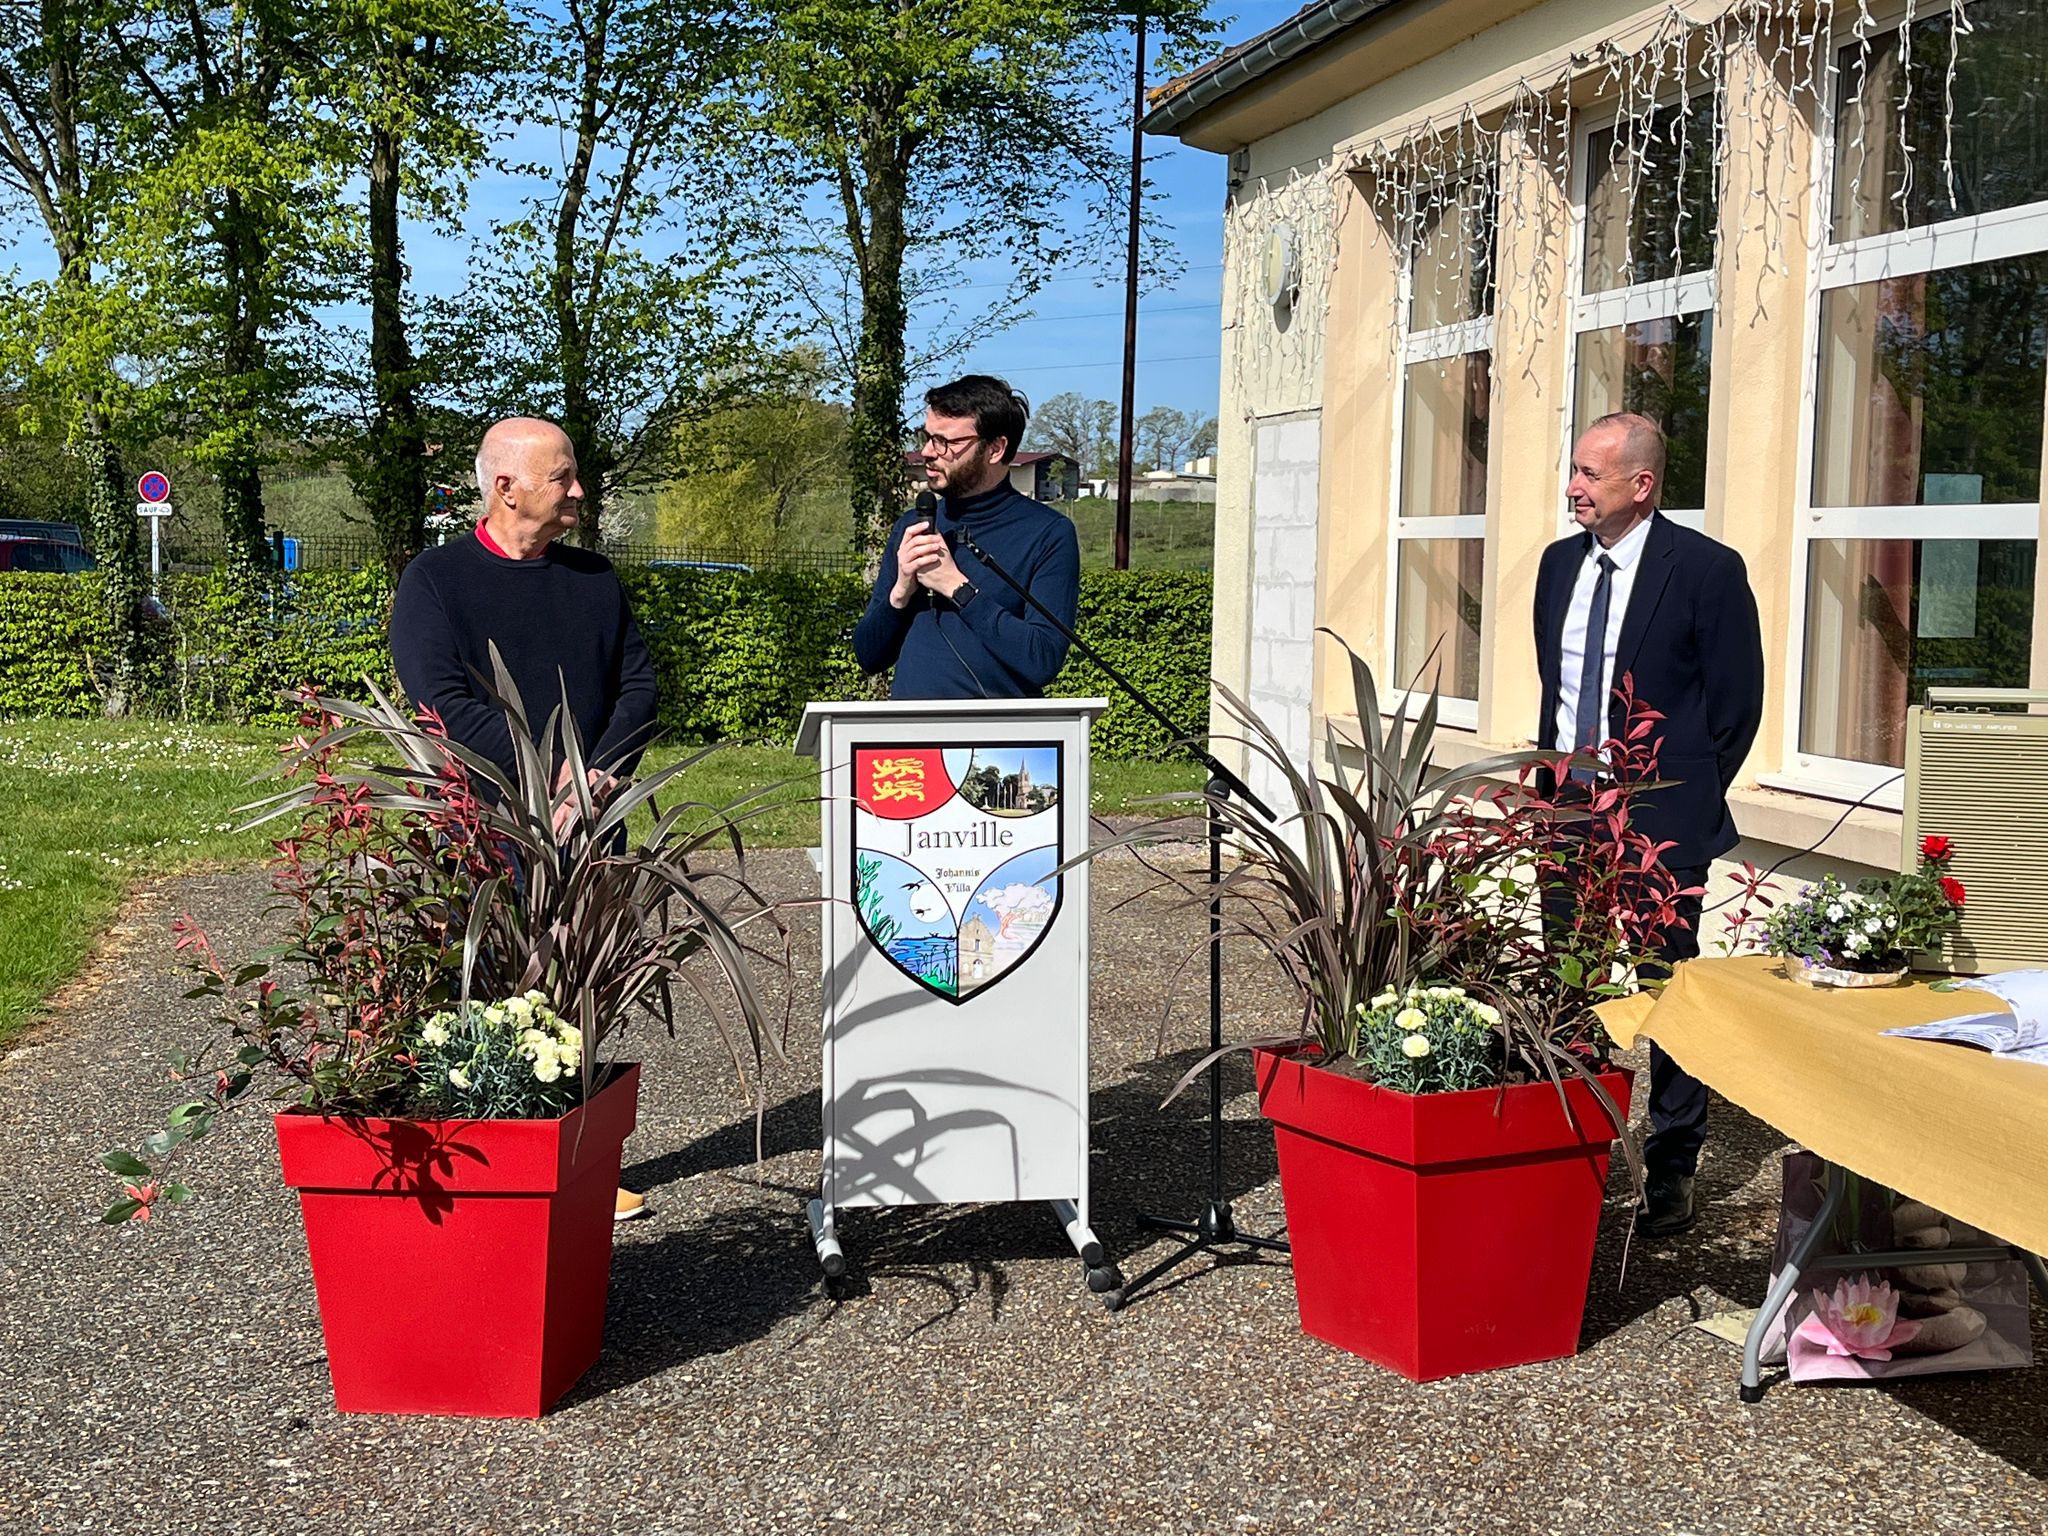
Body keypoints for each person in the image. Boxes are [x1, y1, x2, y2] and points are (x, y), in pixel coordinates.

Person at [390, 415, 659, 1222]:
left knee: (579, 994)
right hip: (488, 826)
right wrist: (546, 783)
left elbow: (638, 690)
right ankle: (485, 1167)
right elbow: (441, 700)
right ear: (505, 488)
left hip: (592, 819)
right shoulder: (435, 581)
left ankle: (575, 1168)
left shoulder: (595, 580)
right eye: (562, 478)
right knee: (484, 991)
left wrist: (596, 778)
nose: (579, 492)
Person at [1532, 412, 1764, 1238]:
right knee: (1571, 985)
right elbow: (1556, 697)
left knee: (1665, 987)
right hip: (1567, 812)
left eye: (1590, 475)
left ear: (1642, 484)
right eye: (1573, 471)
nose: (1573, 488)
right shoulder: (1559, 567)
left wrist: (1678, 800)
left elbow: (1735, 710)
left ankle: (1672, 1162)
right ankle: (1576, 1148)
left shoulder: (1705, 570)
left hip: (1661, 822)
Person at [853, 375, 1081, 698]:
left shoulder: (1048, 534)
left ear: (995, 448)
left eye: (945, 442)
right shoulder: (912, 528)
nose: (928, 452)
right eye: (927, 437)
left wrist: (957, 588)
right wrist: (901, 592)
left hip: (1002, 741)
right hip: (912, 741)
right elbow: (868, 656)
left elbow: (1043, 658)